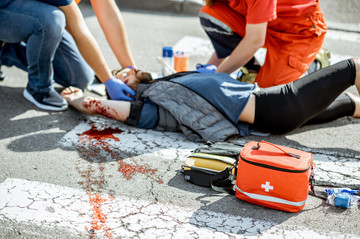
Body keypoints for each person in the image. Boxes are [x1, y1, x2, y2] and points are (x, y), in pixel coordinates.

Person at [61, 58, 360, 142]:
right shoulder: (152, 104)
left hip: (271, 113)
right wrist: (81, 99)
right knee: (353, 68)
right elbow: (105, 108)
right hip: (277, 106)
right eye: (119, 75)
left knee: (349, 104)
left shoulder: (169, 83)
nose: (126, 71)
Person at [0, 0, 135, 111]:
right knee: (52, 19)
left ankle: (5, 51)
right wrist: (108, 80)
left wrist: (130, 68)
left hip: (33, 12)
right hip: (8, 11)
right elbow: (79, 30)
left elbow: (109, 16)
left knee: (80, 77)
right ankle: (39, 88)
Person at [198, 0, 327, 88]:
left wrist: (215, 78)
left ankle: (313, 62)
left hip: (298, 32)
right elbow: (224, 32)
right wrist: (209, 68)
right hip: (263, 26)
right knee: (210, 15)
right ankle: (253, 70)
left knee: (269, 97)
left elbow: (255, 40)